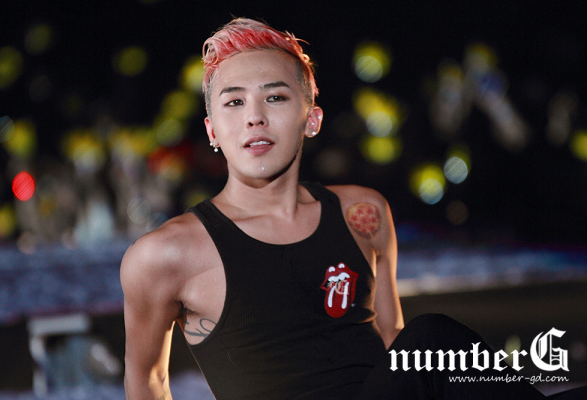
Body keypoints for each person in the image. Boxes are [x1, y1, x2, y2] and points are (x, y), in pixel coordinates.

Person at [121, 18, 582, 400]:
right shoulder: (166, 253)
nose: (254, 117)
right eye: (235, 101)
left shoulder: (363, 212)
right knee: (431, 337)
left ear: (312, 118)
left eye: (275, 97)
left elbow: (393, 339)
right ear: (212, 130)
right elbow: (148, 382)